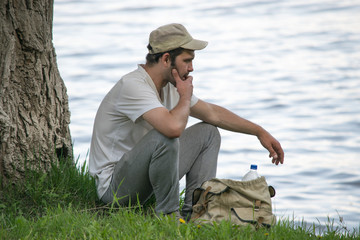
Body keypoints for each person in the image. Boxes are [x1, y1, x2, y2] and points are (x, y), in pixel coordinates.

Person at [89, 23, 284, 221]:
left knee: (208, 133)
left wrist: (259, 131)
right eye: (187, 61)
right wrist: (184, 97)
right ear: (166, 59)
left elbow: (212, 114)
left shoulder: (171, 86)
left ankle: (198, 213)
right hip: (116, 190)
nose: (191, 68)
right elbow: (172, 128)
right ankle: (168, 216)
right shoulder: (133, 85)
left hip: (144, 182)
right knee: (167, 135)